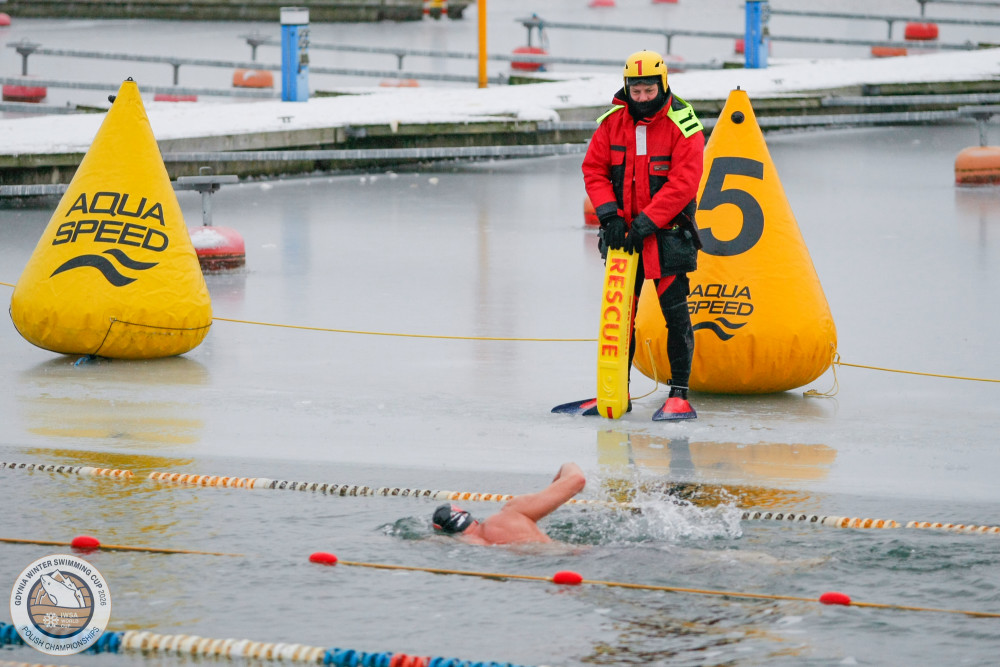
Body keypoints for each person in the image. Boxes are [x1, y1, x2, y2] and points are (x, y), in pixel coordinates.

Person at [581, 49, 705, 421]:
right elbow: (594, 169)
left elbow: (683, 183)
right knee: (620, 318)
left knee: (676, 316)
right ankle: (617, 390)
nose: (642, 98)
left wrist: (646, 223)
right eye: (635, 92)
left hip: (665, 237)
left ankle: (678, 394)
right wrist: (610, 217)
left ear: (663, 85)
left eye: (649, 91)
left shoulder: (684, 124)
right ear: (627, 88)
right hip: (623, 241)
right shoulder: (611, 122)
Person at [431, 462, 586, 545]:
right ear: (472, 518)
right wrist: (566, 466)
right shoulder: (512, 512)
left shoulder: (469, 544)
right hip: (583, 558)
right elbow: (577, 480)